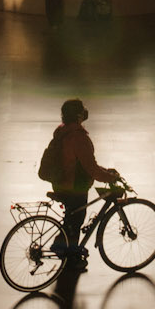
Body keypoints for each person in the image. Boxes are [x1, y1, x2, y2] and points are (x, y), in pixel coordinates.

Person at [43, 96, 120, 268]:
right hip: (73, 187)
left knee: (71, 220)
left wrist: (105, 171)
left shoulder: (62, 131)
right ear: (78, 116)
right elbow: (91, 168)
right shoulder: (79, 138)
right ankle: (71, 260)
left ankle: (60, 244)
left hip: (61, 182)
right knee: (76, 222)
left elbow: (83, 163)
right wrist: (110, 177)